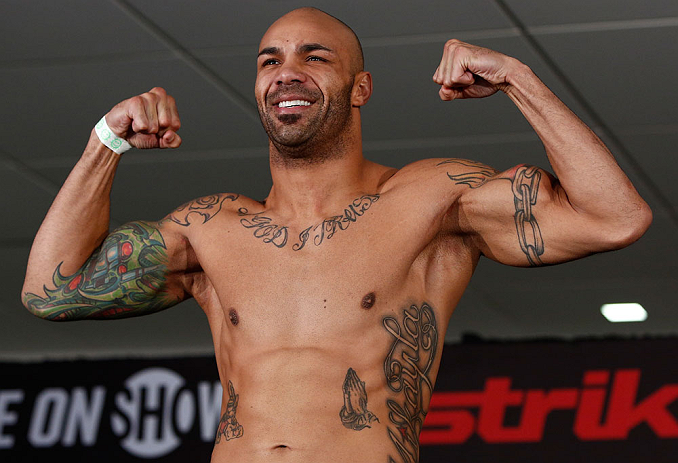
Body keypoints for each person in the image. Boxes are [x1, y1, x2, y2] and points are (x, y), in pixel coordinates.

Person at [21, 7, 651, 463]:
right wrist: (104, 143)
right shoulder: (210, 228)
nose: (286, 72)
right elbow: (51, 291)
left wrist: (518, 78)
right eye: (271, 60)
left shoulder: (431, 199)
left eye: (314, 57)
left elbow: (613, 217)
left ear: (361, 88)